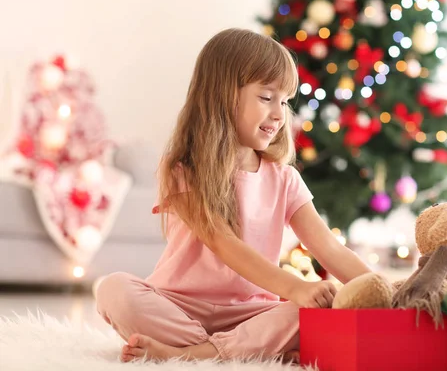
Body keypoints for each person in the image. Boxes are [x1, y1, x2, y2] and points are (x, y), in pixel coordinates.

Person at [96, 28, 372, 363]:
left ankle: (189, 355)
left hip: (252, 313)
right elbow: (225, 244)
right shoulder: (182, 168)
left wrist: (382, 290)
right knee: (113, 290)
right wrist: (295, 288)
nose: (279, 114)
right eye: (267, 98)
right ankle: (233, 351)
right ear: (223, 95)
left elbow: (328, 247)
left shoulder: (285, 179)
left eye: (284, 101)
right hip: (179, 306)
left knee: (316, 309)